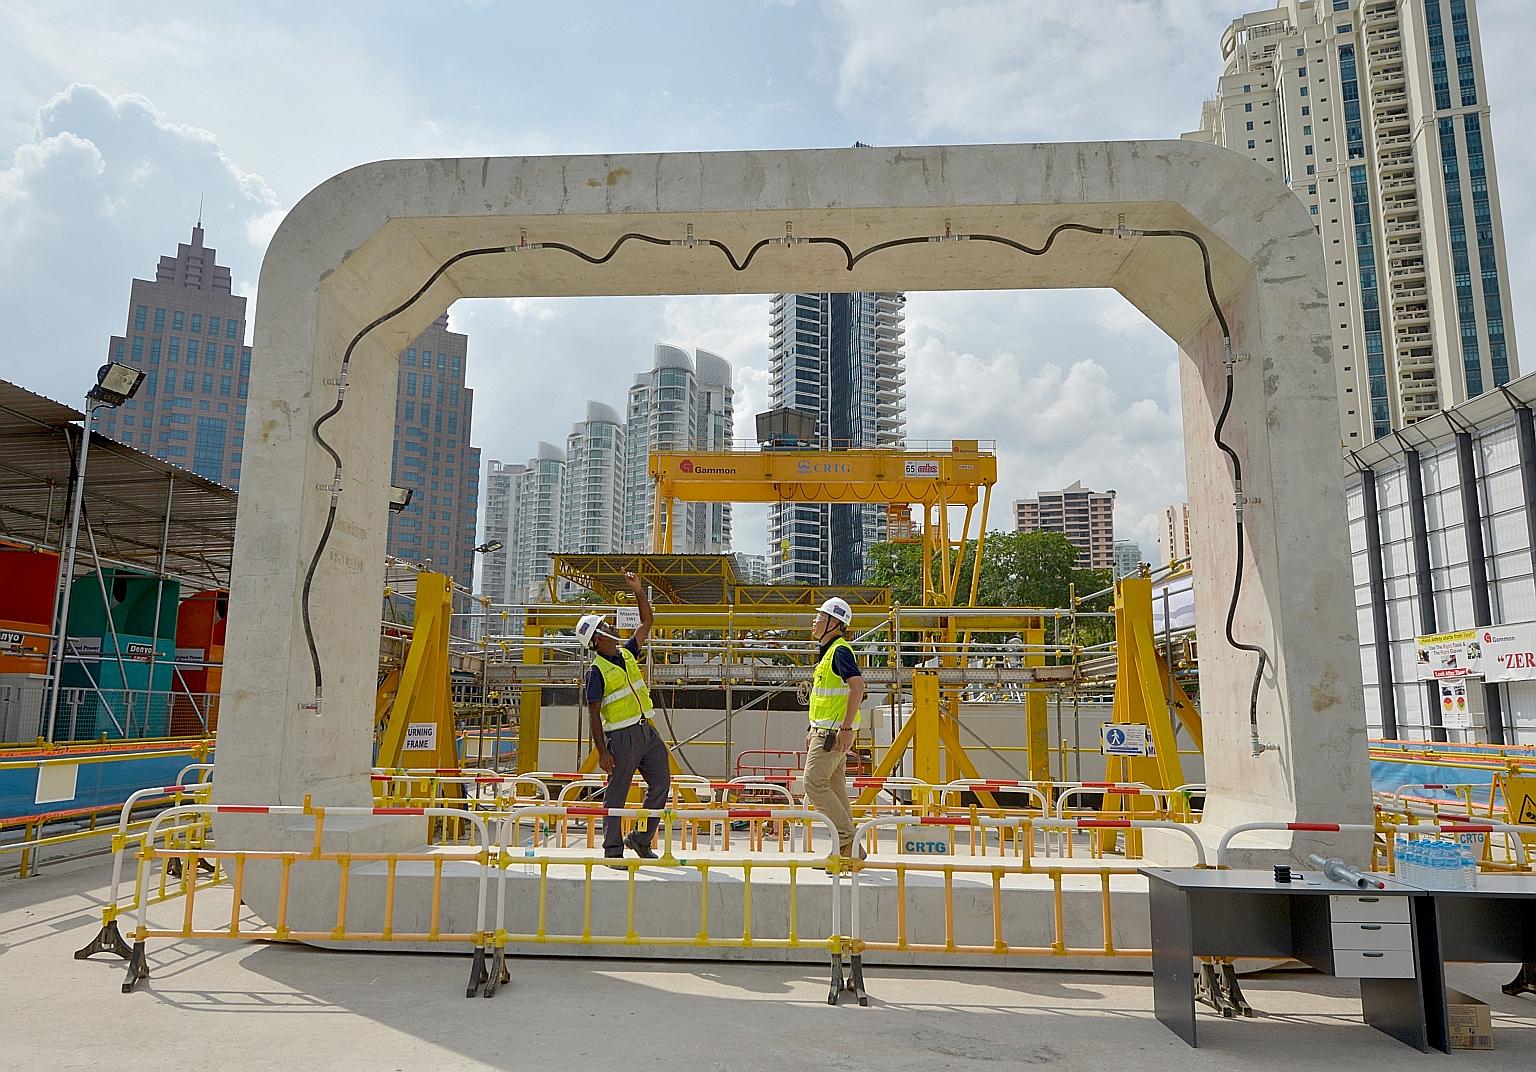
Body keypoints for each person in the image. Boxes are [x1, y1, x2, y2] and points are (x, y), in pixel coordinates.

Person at [575, 571, 670, 864]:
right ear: (597, 639)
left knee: (661, 783)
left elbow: (647, 623)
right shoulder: (596, 671)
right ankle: (613, 850)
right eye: (604, 626)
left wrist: (639, 590)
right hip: (621, 736)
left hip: (646, 730)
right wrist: (602, 751)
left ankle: (640, 839)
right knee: (616, 793)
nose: (610, 627)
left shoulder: (627, 654)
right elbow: (592, 714)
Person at [802, 596, 866, 860]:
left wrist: (846, 728)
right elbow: (826, 698)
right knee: (836, 789)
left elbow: (858, 687)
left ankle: (847, 840)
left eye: (820, 617)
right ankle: (850, 850)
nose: (814, 621)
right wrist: (812, 727)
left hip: (832, 734)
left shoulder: (839, 651)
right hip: (826, 731)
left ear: (833, 623)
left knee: (813, 782)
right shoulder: (828, 654)